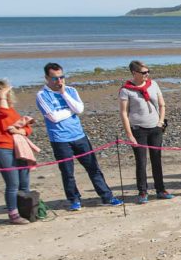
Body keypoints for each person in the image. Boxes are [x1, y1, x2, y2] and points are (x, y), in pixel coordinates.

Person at [35, 63, 122, 210]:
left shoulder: (70, 90)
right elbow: (53, 117)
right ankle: (74, 199)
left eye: (61, 77)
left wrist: (64, 94)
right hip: (60, 140)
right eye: (55, 78)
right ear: (47, 78)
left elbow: (79, 109)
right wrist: (71, 111)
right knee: (68, 172)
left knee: (94, 168)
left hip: (79, 136)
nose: (59, 81)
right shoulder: (42, 95)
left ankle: (107, 196)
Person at [0, 79, 35, 224]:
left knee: (24, 182)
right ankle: (13, 214)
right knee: (13, 183)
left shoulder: (10, 109)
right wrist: (2, 97)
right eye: (3, 92)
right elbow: (3, 115)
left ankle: (27, 210)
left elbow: (26, 126)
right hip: (3, 149)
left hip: (19, 147)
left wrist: (22, 130)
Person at [119, 60, 172, 203]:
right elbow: (124, 113)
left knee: (157, 159)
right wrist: (130, 135)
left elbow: (162, 104)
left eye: (148, 72)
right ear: (134, 73)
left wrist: (161, 122)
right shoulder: (126, 89)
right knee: (141, 162)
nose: (146, 74)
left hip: (155, 128)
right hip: (138, 129)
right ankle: (142, 192)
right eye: (143, 72)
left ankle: (160, 189)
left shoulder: (153, 84)